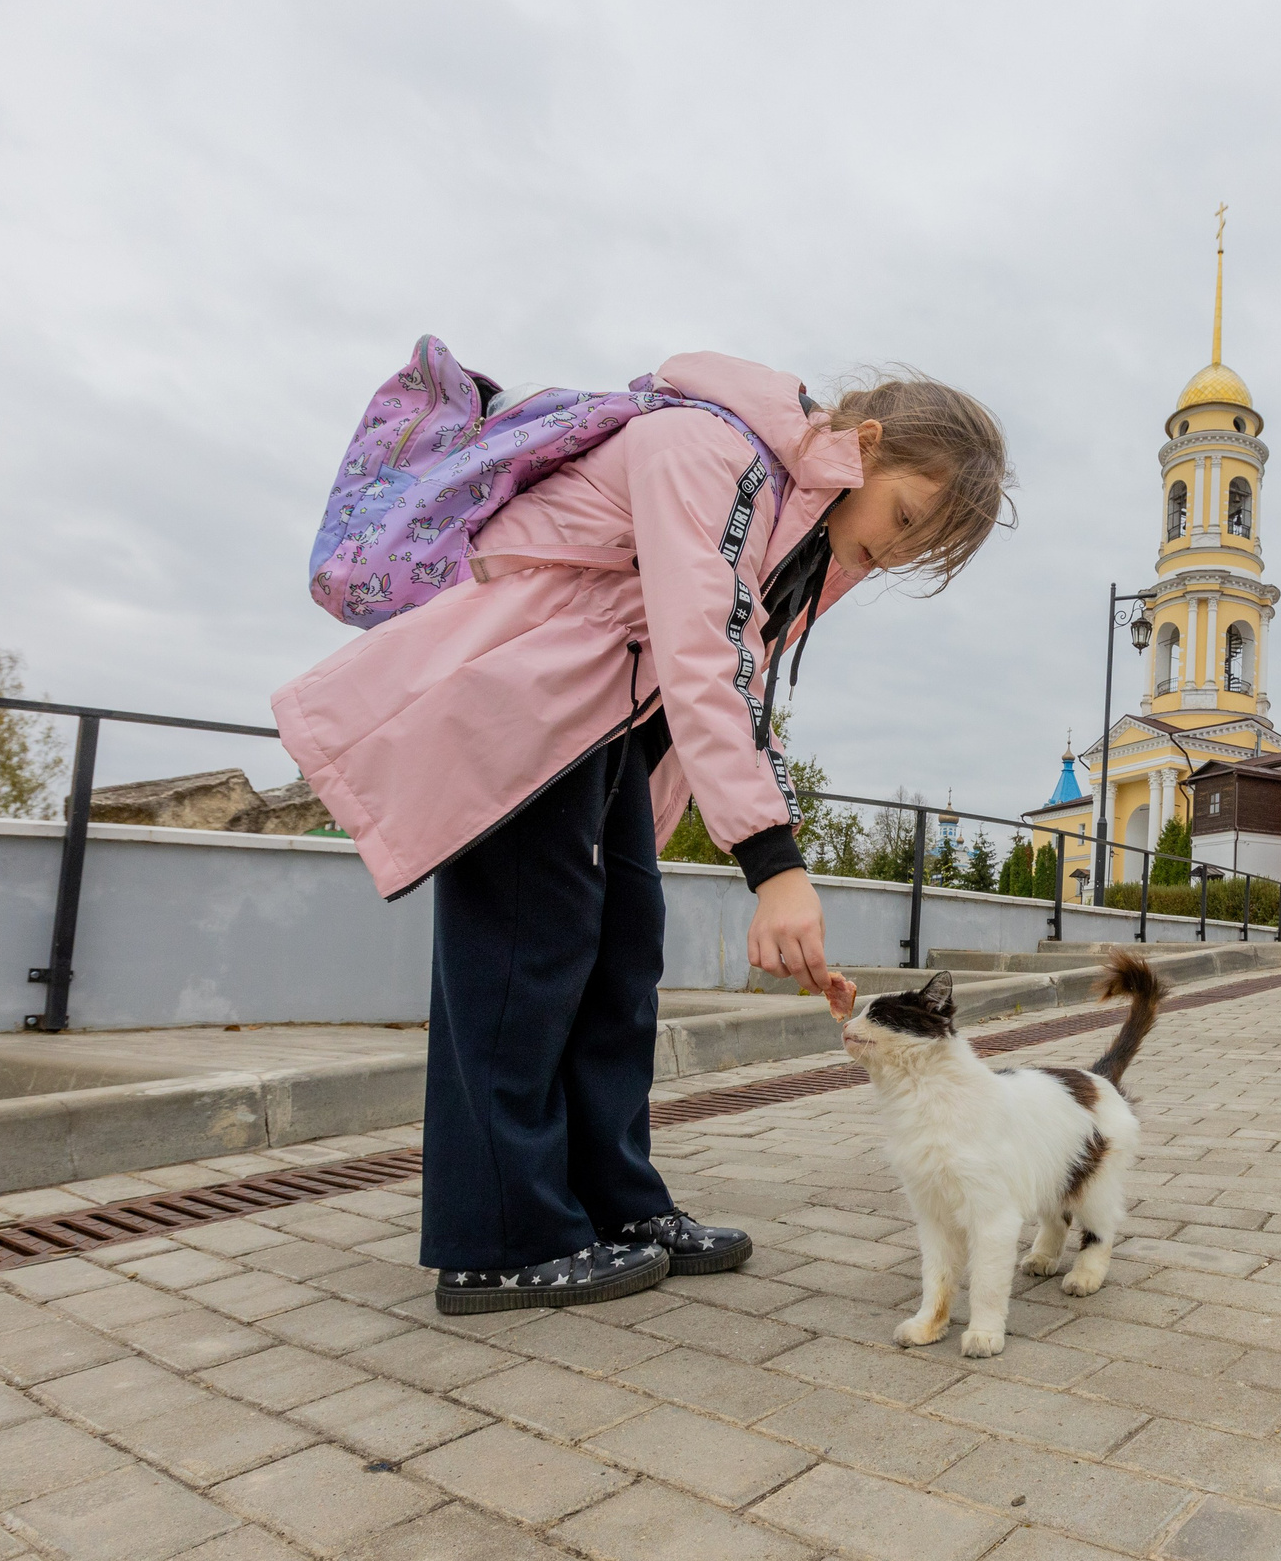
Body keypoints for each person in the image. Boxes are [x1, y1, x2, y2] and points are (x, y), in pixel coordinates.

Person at [275, 357, 1012, 1313]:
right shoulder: (709, 451)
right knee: (521, 959)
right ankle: (503, 1236)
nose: (890, 555)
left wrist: (778, 856)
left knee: (622, 955)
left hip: (598, 723)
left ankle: (613, 1202)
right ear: (865, 448)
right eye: (905, 520)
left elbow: (743, 683)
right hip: (522, 706)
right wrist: (771, 863)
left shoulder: (791, 527)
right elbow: (704, 649)